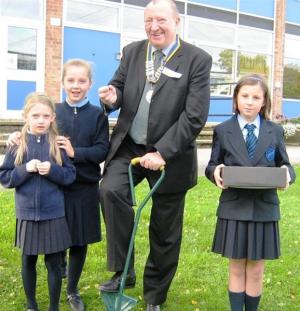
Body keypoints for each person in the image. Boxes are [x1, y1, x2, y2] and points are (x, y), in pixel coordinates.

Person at [98, 0, 212, 310]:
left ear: (177, 21)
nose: (154, 26)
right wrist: (112, 95)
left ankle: (154, 296)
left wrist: (163, 152)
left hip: (170, 156)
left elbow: (194, 116)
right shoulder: (134, 51)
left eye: (161, 19)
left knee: (165, 229)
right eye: (148, 20)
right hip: (130, 148)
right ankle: (124, 269)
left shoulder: (197, 60)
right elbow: (119, 87)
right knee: (110, 191)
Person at [7, 59, 110, 311]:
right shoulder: (55, 111)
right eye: (70, 80)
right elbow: (35, 131)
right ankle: (57, 269)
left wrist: (76, 152)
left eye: (81, 81)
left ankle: (72, 290)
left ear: (90, 84)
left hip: (82, 186)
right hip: (53, 190)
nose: (76, 86)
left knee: (78, 241)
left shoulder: (98, 115)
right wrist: (16, 136)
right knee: (54, 244)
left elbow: (102, 150)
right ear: (62, 83)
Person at [205, 74, 296, 311]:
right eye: (244, 96)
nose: (249, 101)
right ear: (235, 99)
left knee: (256, 268)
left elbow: (286, 165)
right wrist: (216, 171)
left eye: (256, 97)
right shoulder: (223, 130)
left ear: (264, 101)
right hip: (234, 207)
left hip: (265, 208)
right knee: (236, 267)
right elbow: (212, 165)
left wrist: (287, 174)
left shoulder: (274, 131)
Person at [0, 93, 76, 311]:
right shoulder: (17, 144)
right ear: (26, 117)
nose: (41, 120)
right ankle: (31, 304)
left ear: (53, 117)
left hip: (53, 213)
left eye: (45, 116)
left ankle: (53, 307)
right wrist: (25, 169)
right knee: (28, 261)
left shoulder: (58, 144)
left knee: (53, 263)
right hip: (27, 214)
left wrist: (52, 170)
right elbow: (5, 177)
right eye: (35, 116)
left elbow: (69, 176)